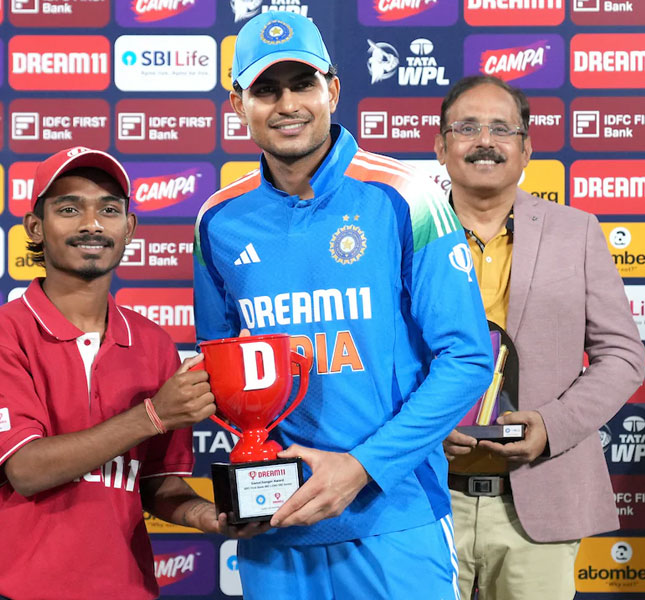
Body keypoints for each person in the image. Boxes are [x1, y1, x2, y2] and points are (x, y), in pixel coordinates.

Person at [193, 12, 493, 599]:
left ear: (332, 90)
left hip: (394, 517)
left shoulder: (406, 196)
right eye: (265, 89)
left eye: (302, 84)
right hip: (276, 526)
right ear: (237, 105)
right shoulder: (218, 220)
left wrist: (360, 468)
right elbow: (220, 368)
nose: (287, 105)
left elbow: (467, 359)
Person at [0, 146, 263, 600]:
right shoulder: (3, 334)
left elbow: (155, 482)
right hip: (18, 591)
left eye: (109, 210)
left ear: (129, 228)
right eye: (69, 209)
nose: (92, 224)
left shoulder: (152, 343)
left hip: (124, 588)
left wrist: (209, 516)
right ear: (35, 227)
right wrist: (153, 415)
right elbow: (26, 469)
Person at [435, 76, 645, 600]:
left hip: (540, 497)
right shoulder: (405, 233)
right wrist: (423, 428)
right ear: (440, 146)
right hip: (424, 499)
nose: (485, 141)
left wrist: (552, 426)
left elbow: (622, 355)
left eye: (502, 129)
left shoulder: (576, 231)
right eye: (467, 128)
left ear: (526, 148)